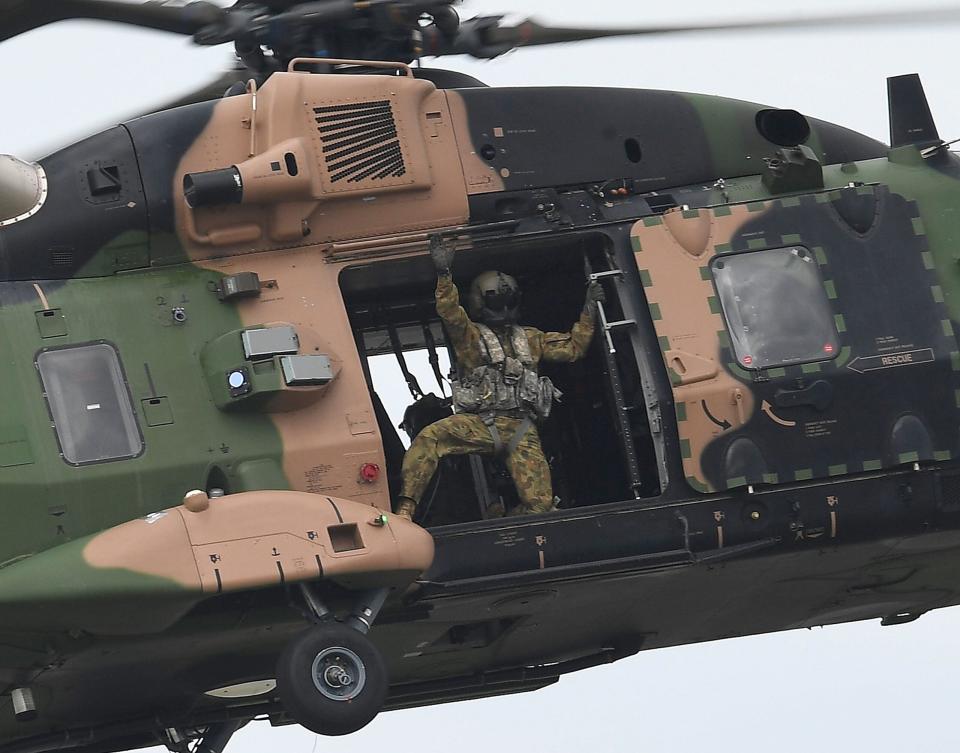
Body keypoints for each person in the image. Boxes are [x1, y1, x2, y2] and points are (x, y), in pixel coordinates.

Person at [394, 235, 604, 521]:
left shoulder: (531, 338)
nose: (503, 309)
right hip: (479, 423)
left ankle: (505, 519)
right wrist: (444, 275)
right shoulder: (471, 337)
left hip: (521, 429)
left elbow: (573, 348)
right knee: (428, 438)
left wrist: (589, 310)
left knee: (541, 507)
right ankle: (406, 510)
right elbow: (451, 314)